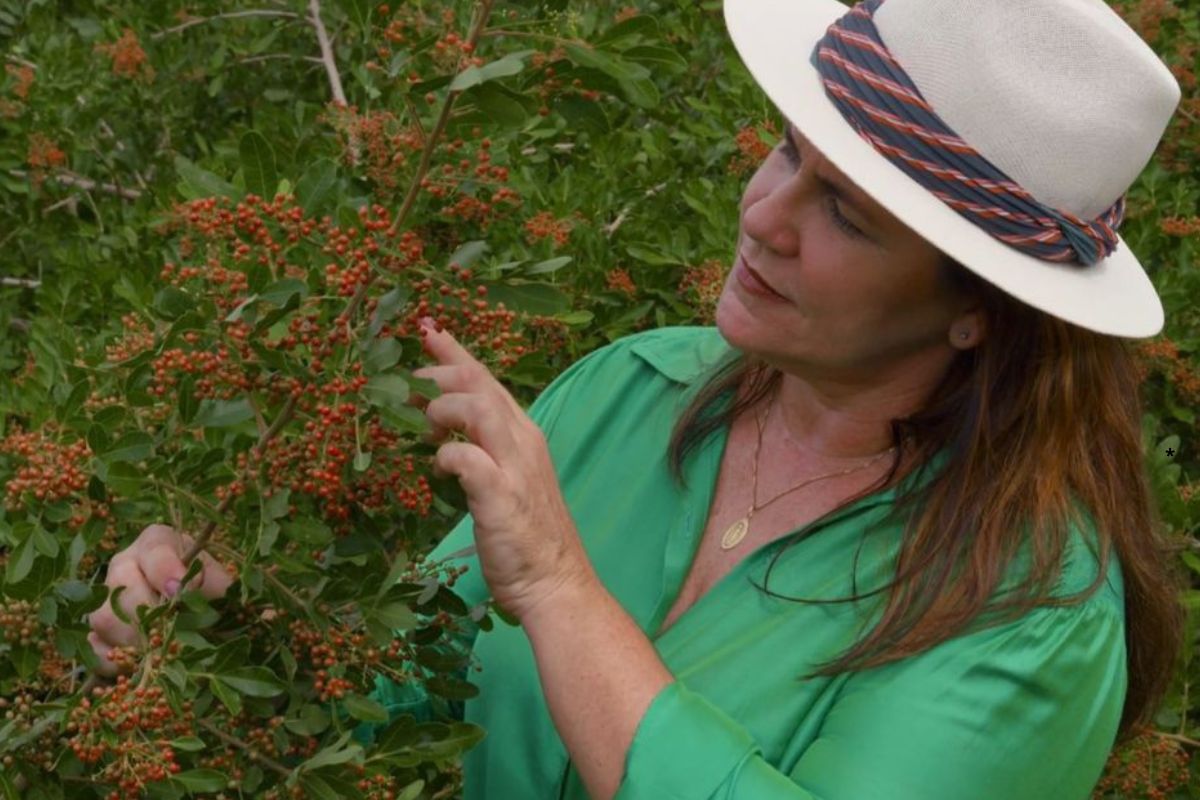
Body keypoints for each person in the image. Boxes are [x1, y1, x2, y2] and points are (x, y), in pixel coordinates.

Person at [86, 0, 1189, 797]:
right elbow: (400, 695)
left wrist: (563, 587)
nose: (764, 214)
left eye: (848, 214)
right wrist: (227, 619)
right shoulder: (632, 388)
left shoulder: (1029, 613)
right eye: (787, 152)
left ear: (979, 310)